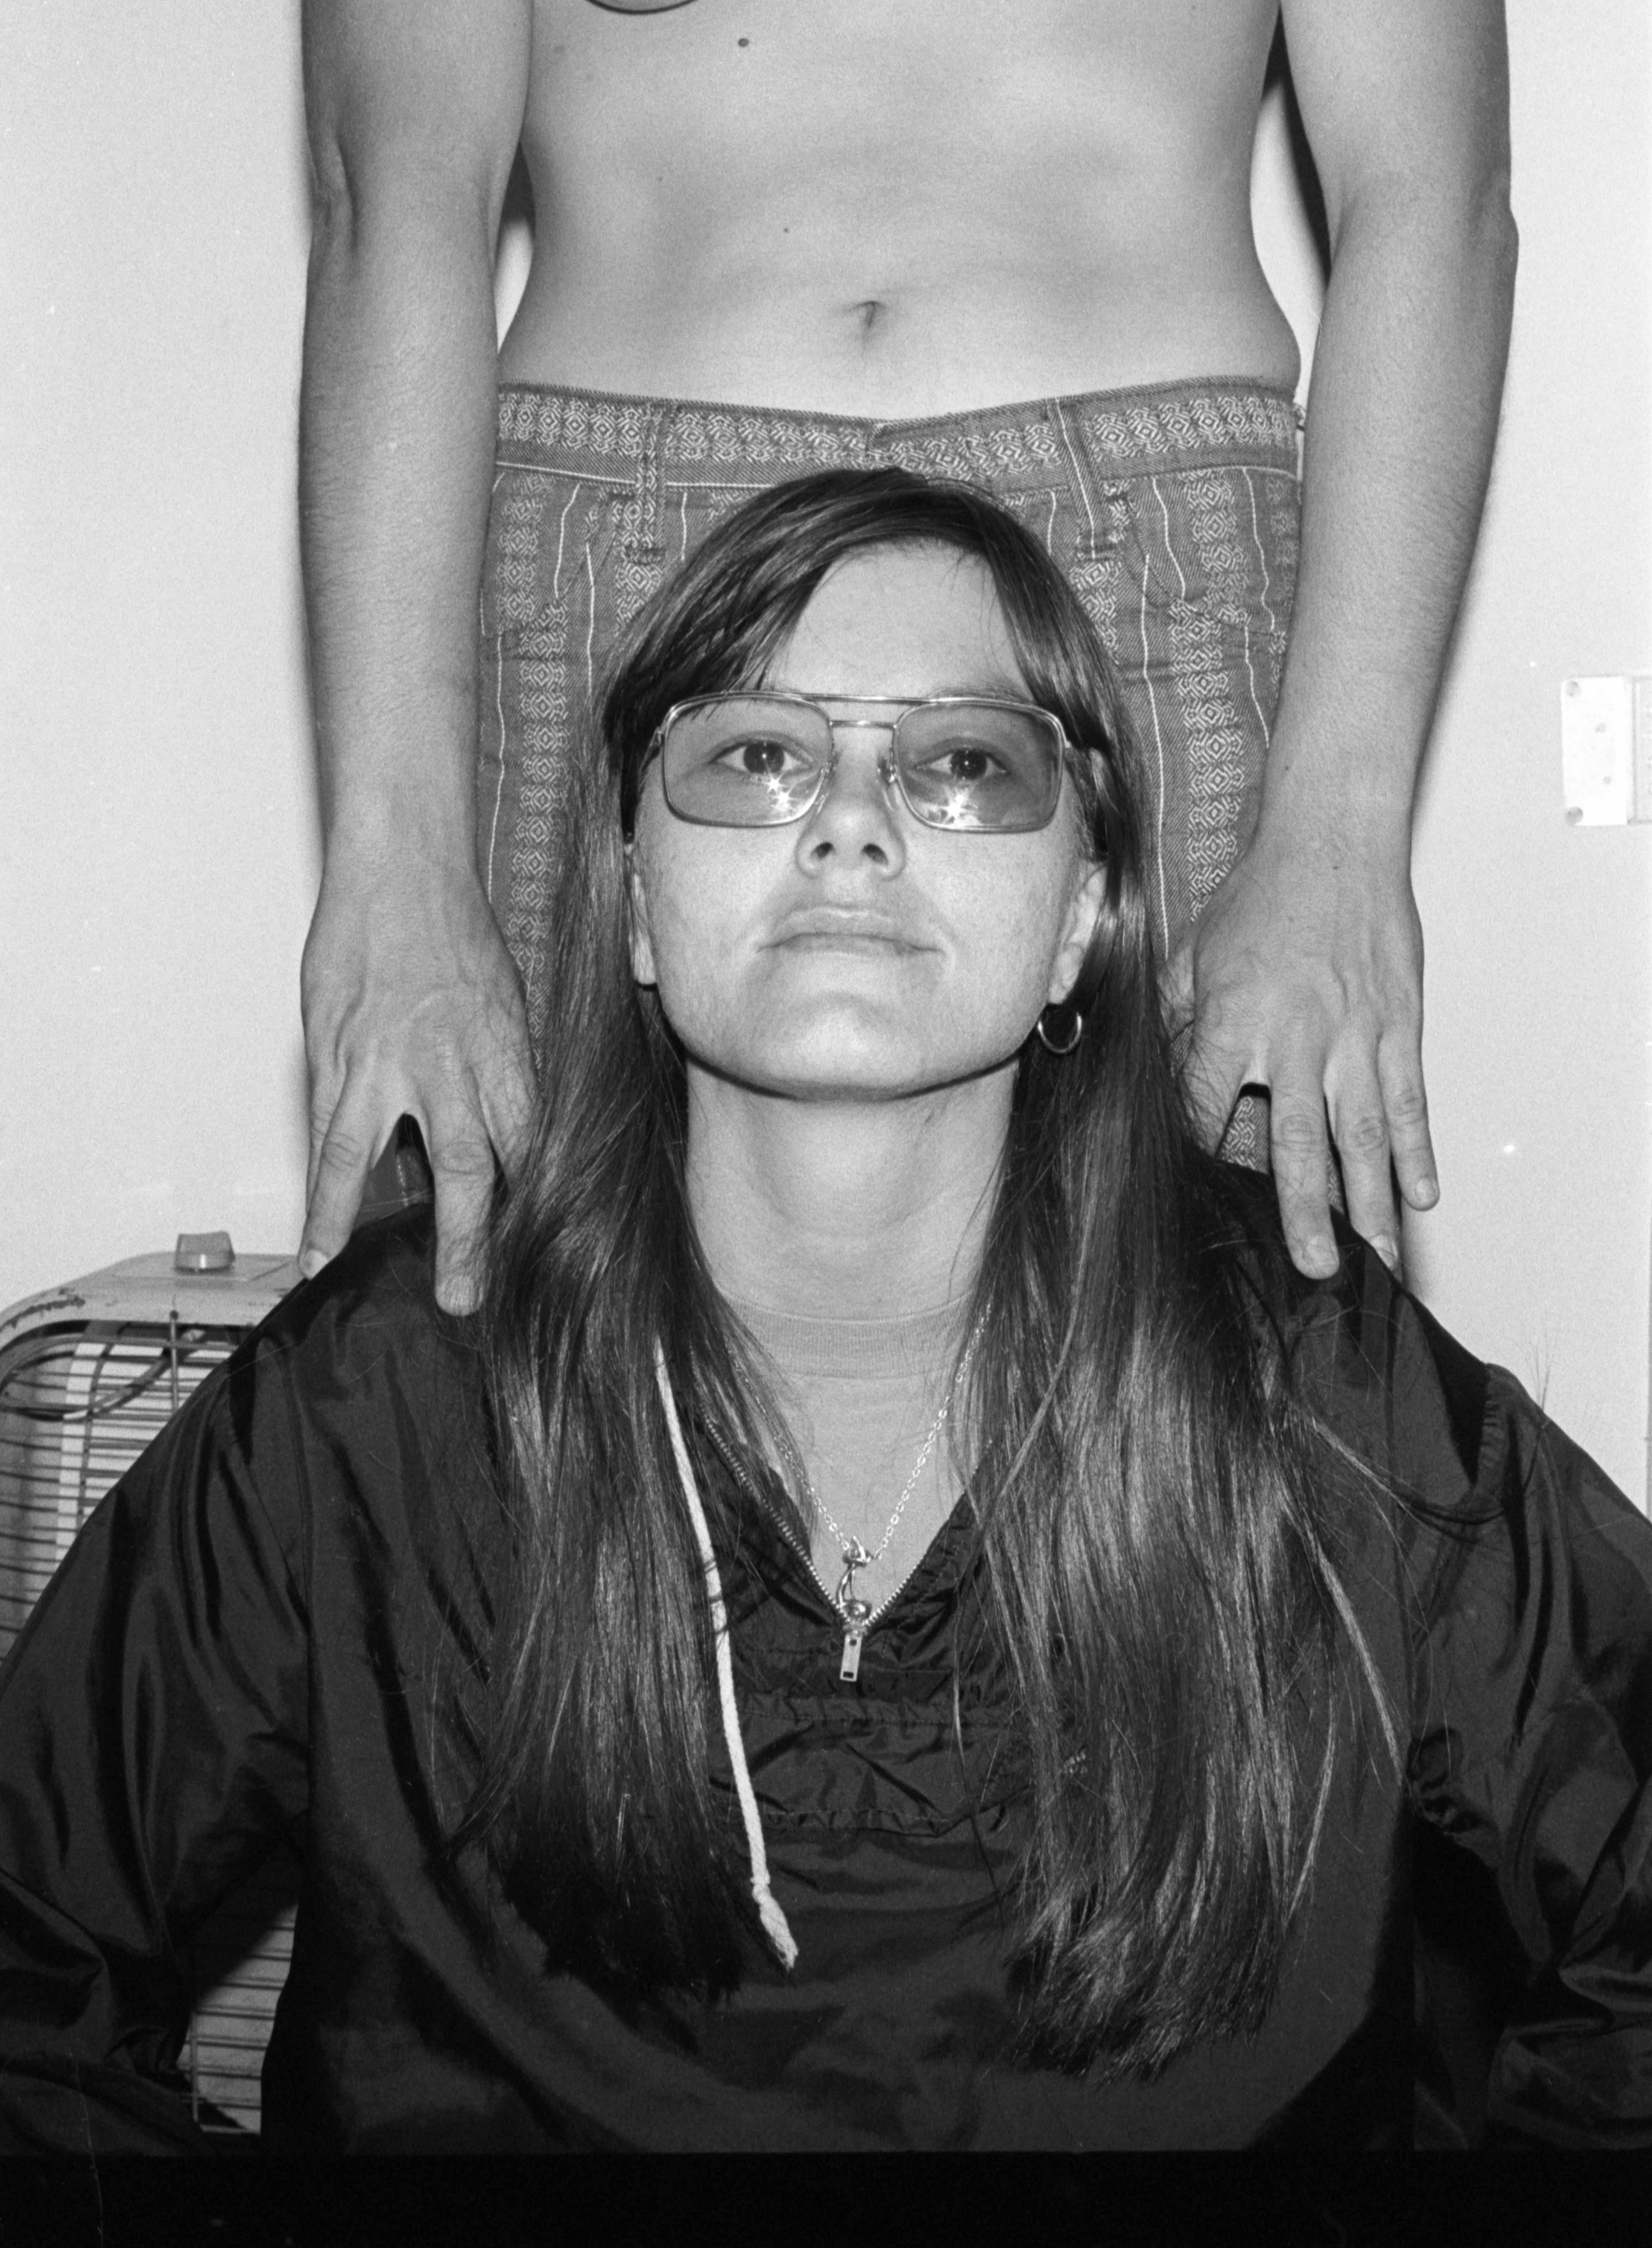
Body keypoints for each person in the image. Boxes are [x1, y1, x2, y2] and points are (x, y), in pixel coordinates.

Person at [5, 474, 1637, 2155]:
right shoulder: (377, 1400)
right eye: (755, 756)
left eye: (966, 764)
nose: (851, 824)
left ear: (1082, 916)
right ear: (637, 901)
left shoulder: (1315, 1382)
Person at [293, 0, 1518, 1317]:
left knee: (1210, 1334)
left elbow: (1433, 198)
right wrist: (392, 862)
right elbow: (392, 205)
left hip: (1146, 572)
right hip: (624, 573)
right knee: (533, 1328)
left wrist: (1344, 836)